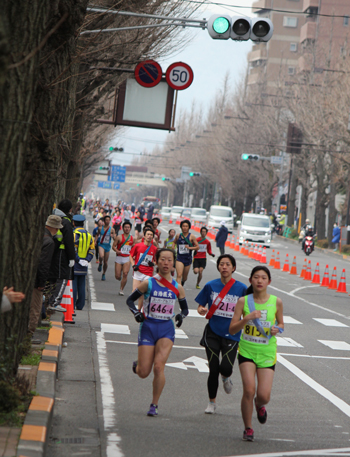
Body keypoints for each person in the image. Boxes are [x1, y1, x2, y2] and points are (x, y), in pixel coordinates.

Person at [126, 248, 188, 416]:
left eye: (169, 260)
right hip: (147, 328)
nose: (166, 263)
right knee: (144, 372)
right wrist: (137, 313)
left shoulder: (178, 287)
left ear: (173, 263)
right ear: (157, 261)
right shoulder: (148, 283)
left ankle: (154, 404)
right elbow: (129, 300)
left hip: (166, 330)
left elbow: (185, 309)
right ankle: (138, 365)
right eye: (163, 259)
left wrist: (181, 316)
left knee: (159, 367)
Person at [229, 266, 284, 442]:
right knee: (249, 390)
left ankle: (260, 405)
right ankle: (248, 428)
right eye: (256, 277)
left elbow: (282, 324)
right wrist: (246, 318)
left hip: (267, 352)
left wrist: (278, 329)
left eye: (263, 278)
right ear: (251, 280)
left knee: (263, 395)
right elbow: (232, 329)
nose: (259, 281)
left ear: (269, 281)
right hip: (247, 351)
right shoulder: (243, 301)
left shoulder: (277, 302)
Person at [196, 254, 247, 414]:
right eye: (222, 264)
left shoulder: (241, 289)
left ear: (233, 268)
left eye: (228, 264)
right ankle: (212, 402)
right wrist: (201, 310)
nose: (224, 267)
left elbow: (247, 312)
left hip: (232, 334)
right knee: (213, 368)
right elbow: (199, 307)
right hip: (212, 332)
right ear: (218, 267)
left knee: (225, 367)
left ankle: (225, 377)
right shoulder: (211, 286)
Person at [28, 215, 63, 342]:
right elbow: (43, 264)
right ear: (55, 228)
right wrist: (42, 283)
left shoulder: (37, 235)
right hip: (36, 280)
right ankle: (28, 336)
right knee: (35, 308)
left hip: (26, 277)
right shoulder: (49, 242)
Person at [46, 200, 75, 312]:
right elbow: (69, 241)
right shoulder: (66, 222)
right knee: (62, 278)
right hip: (62, 254)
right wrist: (72, 257)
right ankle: (54, 302)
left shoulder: (54, 218)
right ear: (70, 209)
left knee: (54, 277)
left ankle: (50, 301)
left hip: (54, 252)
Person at [129, 227, 158, 309]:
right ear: (144, 236)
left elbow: (157, 261)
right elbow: (131, 255)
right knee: (135, 291)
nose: (149, 236)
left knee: (142, 292)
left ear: (153, 237)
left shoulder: (154, 249)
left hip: (148, 273)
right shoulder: (138, 246)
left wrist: (153, 263)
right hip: (138, 272)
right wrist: (133, 264)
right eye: (148, 234)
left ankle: (138, 310)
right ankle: (134, 307)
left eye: (151, 235)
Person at [72, 215, 95, 310]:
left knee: (73, 284)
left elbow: (73, 249)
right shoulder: (89, 236)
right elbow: (92, 250)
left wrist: (78, 259)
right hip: (84, 264)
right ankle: (80, 305)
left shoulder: (74, 234)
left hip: (74, 263)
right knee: (82, 285)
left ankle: (72, 304)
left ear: (73, 223)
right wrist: (86, 260)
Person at [174, 220, 199, 286]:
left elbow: (197, 247)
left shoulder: (192, 236)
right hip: (179, 258)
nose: (185, 228)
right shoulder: (178, 235)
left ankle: (182, 284)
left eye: (186, 226)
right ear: (181, 227)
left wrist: (190, 248)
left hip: (188, 259)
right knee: (179, 275)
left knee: (184, 278)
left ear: (189, 227)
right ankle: (178, 290)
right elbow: (174, 242)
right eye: (183, 226)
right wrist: (173, 248)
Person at [113, 221, 134, 296]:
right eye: (125, 227)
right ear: (123, 228)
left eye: (128, 227)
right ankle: (119, 275)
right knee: (117, 276)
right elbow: (113, 246)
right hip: (119, 257)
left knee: (125, 274)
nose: (127, 229)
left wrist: (133, 255)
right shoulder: (119, 237)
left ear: (130, 228)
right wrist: (116, 250)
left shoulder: (132, 238)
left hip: (127, 258)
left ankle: (121, 289)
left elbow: (134, 248)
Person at [97, 215, 115, 281]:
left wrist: (113, 236)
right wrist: (96, 241)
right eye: (106, 220)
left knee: (106, 262)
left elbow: (115, 238)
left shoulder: (112, 229)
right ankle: (100, 263)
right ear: (104, 221)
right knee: (101, 256)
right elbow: (97, 235)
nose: (107, 221)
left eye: (109, 220)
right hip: (101, 245)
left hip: (107, 246)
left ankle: (104, 273)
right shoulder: (100, 228)